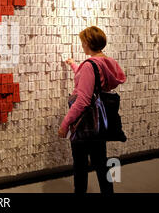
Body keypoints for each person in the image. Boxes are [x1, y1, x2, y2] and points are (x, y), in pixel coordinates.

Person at [58, 26, 126, 194]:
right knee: (101, 163)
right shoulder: (106, 62)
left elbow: (82, 101)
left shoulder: (89, 65)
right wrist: (74, 65)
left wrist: (65, 124)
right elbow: (91, 81)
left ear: (88, 43)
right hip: (100, 122)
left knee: (80, 167)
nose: (82, 45)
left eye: (82, 42)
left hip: (85, 122)